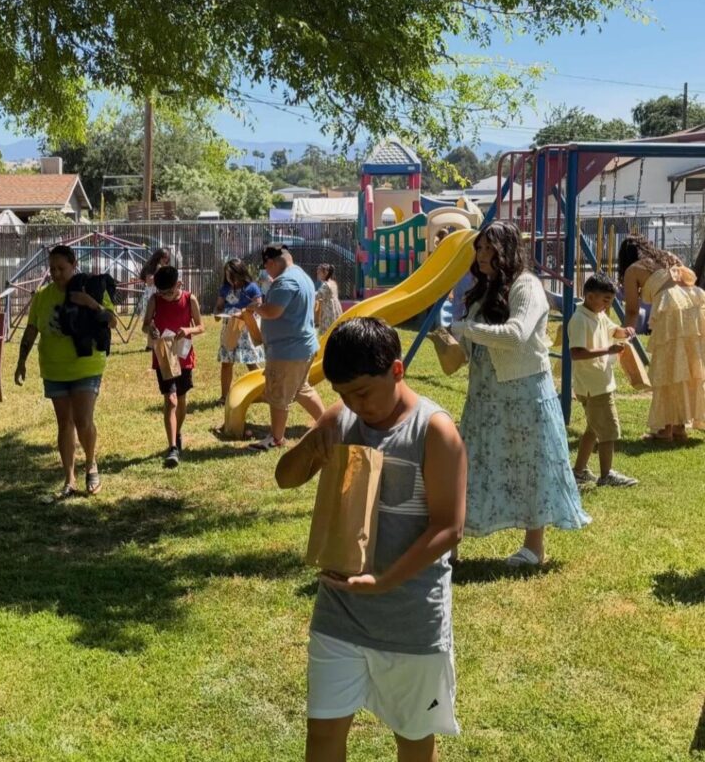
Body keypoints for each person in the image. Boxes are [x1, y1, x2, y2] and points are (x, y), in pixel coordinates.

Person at [275, 317, 467, 762]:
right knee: (322, 739)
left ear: (397, 370)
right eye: (343, 394)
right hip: (339, 616)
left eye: (362, 392)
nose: (354, 404)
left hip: (411, 623)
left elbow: (449, 527)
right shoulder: (341, 418)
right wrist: (311, 447)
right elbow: (286, 478)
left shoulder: (433, 430)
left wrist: (384, 582)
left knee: (414, 742)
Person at [451, 221, 588, 565]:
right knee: (473, 465)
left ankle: (534, 548)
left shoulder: (527, 286)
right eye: (479, 248)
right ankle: (450, 544)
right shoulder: (484, 290)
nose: (482, 255)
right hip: (485, 397)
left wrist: (466, 328)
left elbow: (516, 335)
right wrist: (449, 341)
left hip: (524, 395)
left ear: (507, 250)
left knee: (530, 466)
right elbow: (466, 351)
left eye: (489, 248)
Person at [14, 245, 116, 498]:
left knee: (82, 419)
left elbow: (112, 320)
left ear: (74, 265)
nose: (56, 274)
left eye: (61, 268)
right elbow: (32, 329)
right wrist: (21, 361)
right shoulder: (42, 296)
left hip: (86, 364)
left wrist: (89, 303)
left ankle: (91, 464)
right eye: (52, 269)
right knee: (64, 423)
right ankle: (69, 478)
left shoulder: (91, 287)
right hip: (54, 367)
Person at [618, 235, 705, 441]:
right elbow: (687, 280)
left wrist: (625, 335)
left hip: (672, 313)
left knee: (667, 369)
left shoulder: (633, 270)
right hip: (695, 308)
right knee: (686, 368)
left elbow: (632, 310)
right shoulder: (668, 256)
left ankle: (665, 430)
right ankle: (679, 427)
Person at [251, 244, 325, 450]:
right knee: (301, 389)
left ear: (272, 262)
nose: (267, 271)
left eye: (266, 267)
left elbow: (272, 311)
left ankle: (276, 439)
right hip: (303, 346)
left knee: (278, 396)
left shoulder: (285, 281)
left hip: (287, 351)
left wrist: (256, 307)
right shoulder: (301, 275)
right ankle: (329, 423)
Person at [569, 274, 638, 487]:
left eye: (610, 301)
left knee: (593, 429)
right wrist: (608, 350)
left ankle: (579, 471)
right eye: (605, 300)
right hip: (593, 386)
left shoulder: (598, 314)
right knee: (608, 430)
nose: (607, 305)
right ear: (590, 296)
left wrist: (624, 331)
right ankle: (606, 475)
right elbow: (576, 353)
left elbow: (612, 329)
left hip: (599, 382)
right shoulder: (579, 320)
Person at [143, 265, 204, 468]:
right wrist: (150, 329)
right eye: (161, 293)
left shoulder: (189, 299)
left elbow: (201, 326)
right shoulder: (155, 300)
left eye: (169, 292)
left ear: (178, 284)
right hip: (164, 356)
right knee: (170, 400)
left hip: (183, 355)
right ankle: (172, 448)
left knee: (181, 398)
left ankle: (177, 432)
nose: (165, 297)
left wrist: (188, 330)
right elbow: (145, 324)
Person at [214, 258, 265, 405]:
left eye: (232, 275)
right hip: (229, 329)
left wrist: (243, 312)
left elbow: (259, 306)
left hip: (246, 329)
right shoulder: (225, 288)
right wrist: (217, 312)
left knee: (251, 362)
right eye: (227, 275)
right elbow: (219, 306)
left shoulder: (252, 288)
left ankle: (263, 391)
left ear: (240, 273)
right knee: (226, 362)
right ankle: (224, 397)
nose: (230, 278)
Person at [314, 263, 342, 334]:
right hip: (335, 309)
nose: (317, 274)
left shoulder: (326, 285)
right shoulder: (333, 283)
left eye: (319, 272)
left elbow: (317, 296)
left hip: (328, 310)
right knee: (334, 329)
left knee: (328, 331)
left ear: (325, 273)